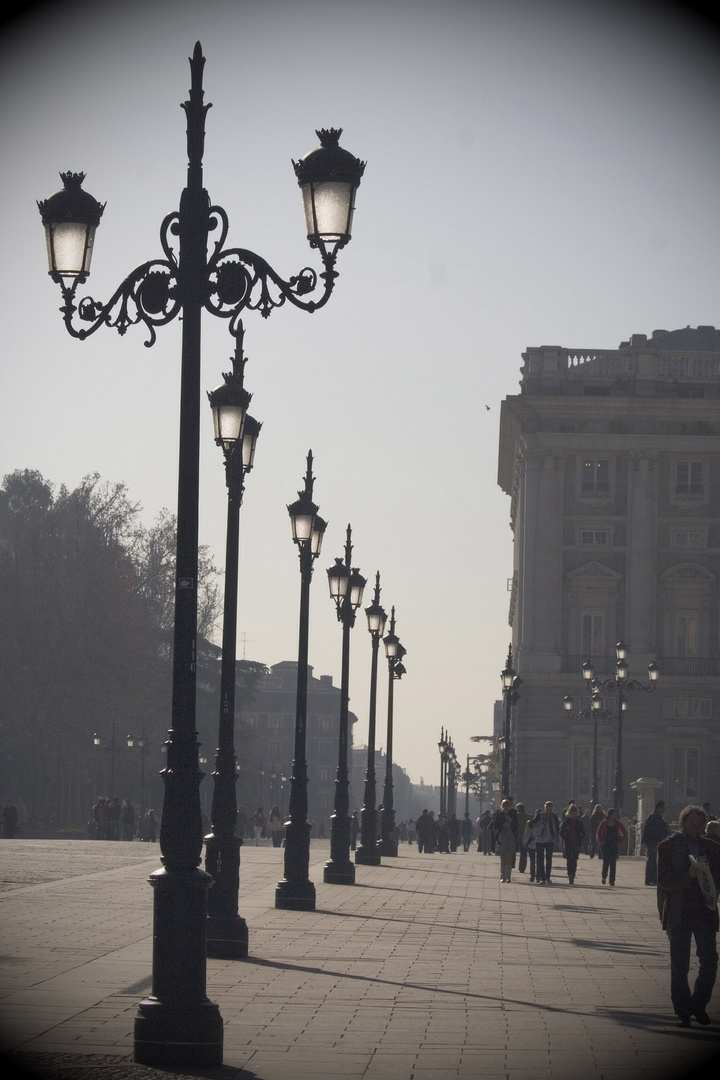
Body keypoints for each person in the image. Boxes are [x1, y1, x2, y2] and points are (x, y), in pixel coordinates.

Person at [658, 804, 720, 1027]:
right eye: (691, 823)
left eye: (699, 824)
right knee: (679, 966)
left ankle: (698, 1005)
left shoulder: (713, 848)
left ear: (704, 825)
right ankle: (683, 1012)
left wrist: (710, 882)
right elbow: (664, 881)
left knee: (710, 962)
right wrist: (688, 875)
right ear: (682, 822)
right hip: (679, 912)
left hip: (705, 913)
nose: (695, 827)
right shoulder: (667, 847)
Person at [641, 800, 671, 886]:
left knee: (653, 860)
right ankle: (650, 879)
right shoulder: (654, 817)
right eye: (663, 808)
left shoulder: (656, 817)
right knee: (652, 860)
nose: (664, 810)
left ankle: (652, 879)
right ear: (659, 807)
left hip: (654, 841)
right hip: (652, 842)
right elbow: (655, 832)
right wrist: (656, 844)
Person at [596, 807, 626, 885]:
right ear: (610, 814)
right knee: (606, 861)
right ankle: (604, 876)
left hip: (614, 844)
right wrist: (601, 841)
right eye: (614, 814)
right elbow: (598, 833)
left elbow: (624, 832)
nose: (615, 816)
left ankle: (612, 880)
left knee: (613, 862)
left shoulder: (618, 823)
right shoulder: (604, 822)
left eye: (616, 814)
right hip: (605, 844)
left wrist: (620, 841)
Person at [492, 798, 518, 883]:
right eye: (504, 806)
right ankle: (503, 875)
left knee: (509, 857)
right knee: (503, 857)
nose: (506, 808)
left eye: (508, 806)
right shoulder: (499, 815)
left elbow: (516, 826)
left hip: (511, 838)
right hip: (501, 838)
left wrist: (511, 823)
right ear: (502, 806)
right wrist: (503, 825)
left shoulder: (513, 814)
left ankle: (508, 877)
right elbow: (495, 826)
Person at [559, 803, 585, 884]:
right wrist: (565, 837)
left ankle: (572, 874)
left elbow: (583, 833)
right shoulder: (565, 823)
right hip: (568, 842)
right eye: (571, 814)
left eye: (574, 814)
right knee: (569, 859)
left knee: (574, 859)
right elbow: (561, 832)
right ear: (569, 814)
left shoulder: (579, 823)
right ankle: (569, 873)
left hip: (576, 843)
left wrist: (580, 837)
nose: (573, 815)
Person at [536, 801, 559, 884]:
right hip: (540, 839)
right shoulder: (540, 815)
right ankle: (542, 877)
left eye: (550, 809)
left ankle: (547, 877)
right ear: (544, 808)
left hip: (550, 840)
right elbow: (532, 824)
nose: (548, 811)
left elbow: (557, 827)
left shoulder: (554, 817)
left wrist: (556, 837)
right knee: (540, 859)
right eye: (547, 809)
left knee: (549, 859)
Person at [524, 809, 544, 883]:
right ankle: (538, 876)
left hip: (530, 843)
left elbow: (526, 833)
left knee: (532, 861)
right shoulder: (543, 824)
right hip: (539, 843)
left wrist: (524, 842)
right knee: (539, 861)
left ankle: (532, 876)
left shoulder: (530, 823)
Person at [515, 803, 531, 874]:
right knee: (523, 853)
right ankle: (522, 867)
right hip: (525, 837)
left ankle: (511, 864)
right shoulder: (528, 816)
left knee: (512, 852)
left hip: (516, 836)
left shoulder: (515, 816)